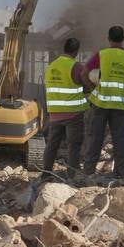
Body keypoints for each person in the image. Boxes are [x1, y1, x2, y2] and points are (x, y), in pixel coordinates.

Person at [81, 24, 124, 179]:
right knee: (121, 141)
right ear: (123, 39)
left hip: (101, 103)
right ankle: (122, 174)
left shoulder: (102, 54)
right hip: (121, 105)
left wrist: (93, 89)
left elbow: (85, 73)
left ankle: (89, 172)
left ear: (109, 39)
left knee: (95, 138)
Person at [41, 36, 87, 174]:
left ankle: (46, 172)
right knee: (74, 145)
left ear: (64, 48)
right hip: (73, 113)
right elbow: (85, 84)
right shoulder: (76, 67)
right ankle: (72, 174)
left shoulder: (51, 67)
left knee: (52, 144)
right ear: (76, 52)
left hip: (55, 113)